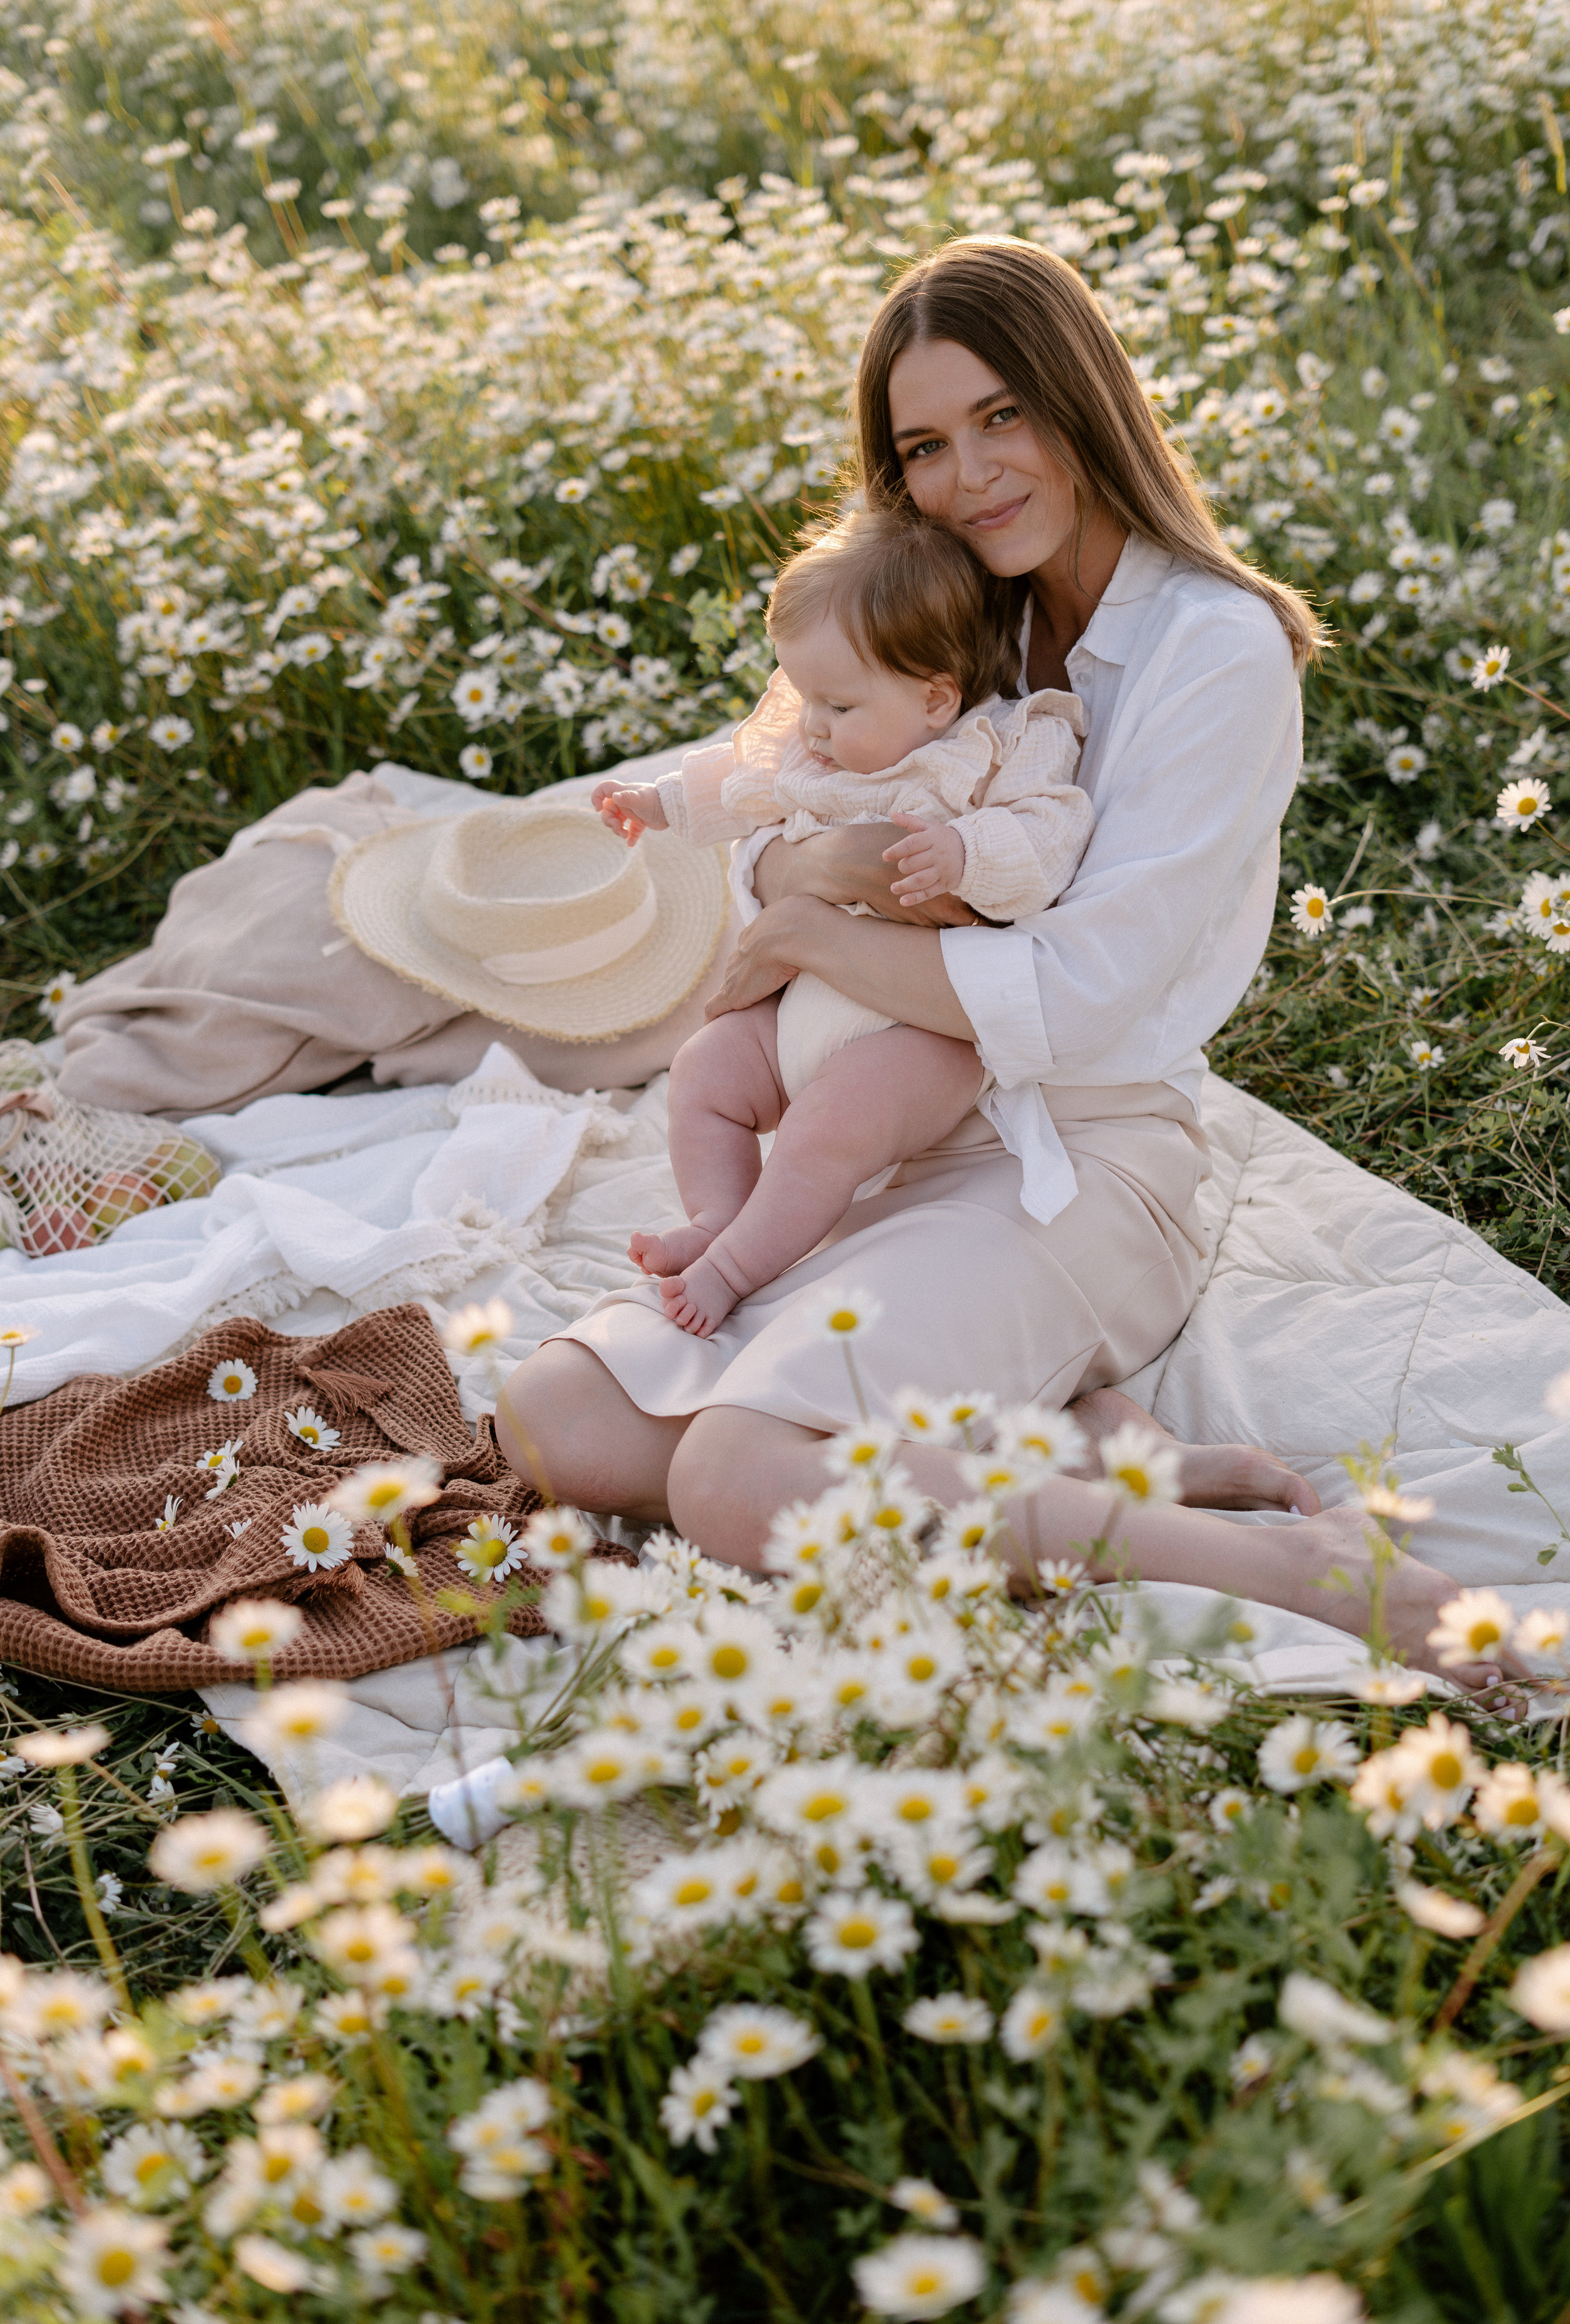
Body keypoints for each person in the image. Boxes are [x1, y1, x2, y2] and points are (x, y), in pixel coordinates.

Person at [497, 235, 1484, 1679]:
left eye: (1002, 416)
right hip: (874, 1135)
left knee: (731, 1480)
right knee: (554, 1420)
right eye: (926, 445)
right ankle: (1072, 1443)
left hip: (1067, 1157)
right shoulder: (938, 594)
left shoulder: (1215, 651)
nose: (971, 474)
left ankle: (1291, 1564)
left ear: (1080, 398)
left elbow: (1072, 997)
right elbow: (779, 801)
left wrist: (805, 924)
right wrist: (806, 887)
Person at [590, 508, 1094, 1337]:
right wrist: (660, 802)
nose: (811, 724)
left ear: (935, 698)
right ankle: (719, 1212)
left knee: (826, 1131)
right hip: (803, 1004)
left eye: (835, 704)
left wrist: (966, 854)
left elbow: (1050, 834)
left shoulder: (995, 753)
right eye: (801, 696)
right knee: (706, 1070)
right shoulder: (812, 748)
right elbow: (738, 777)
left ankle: (734, 1267)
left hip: (918, 1028)